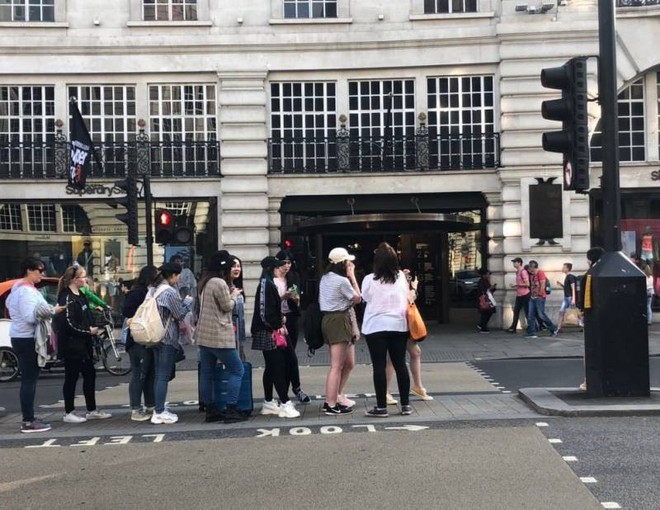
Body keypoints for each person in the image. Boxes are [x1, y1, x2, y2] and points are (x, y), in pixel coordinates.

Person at [7, 257, 66, 433]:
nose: (43, 274)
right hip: (27, 338)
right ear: (29, 270)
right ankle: (28, 420)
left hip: (21, 337)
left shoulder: (17, 289)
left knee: (29, 379)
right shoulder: (25, 292)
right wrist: (51, 311)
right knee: (29, 380)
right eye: (40, 270)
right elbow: (30, 317)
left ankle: (29, 416)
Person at [361, 242, 416, 417]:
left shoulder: (369, 279)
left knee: (379, 366)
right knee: (400, 363)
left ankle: (381, 407)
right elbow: (409, 297)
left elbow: (365, 297)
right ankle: (406, 405)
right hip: (398, 325)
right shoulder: (401, 277)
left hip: (375, 326)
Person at [56, 265, 112, 423]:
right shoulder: (67, 297)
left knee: (90, 375)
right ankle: (69, 412)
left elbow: (86, 314)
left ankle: (91, 409)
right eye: (82, 276)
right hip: (72, 345)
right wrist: (88, 331)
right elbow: (68, 323)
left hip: (84, 343)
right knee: (71, 377)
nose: (85, 279)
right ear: (74, 279)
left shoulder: (80, 295)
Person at [195, 251, 247, 424]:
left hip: (204, 334)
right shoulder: (219, 283)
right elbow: (227, 307)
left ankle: (210, 410)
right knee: (237, 369)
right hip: (218, 334)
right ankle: (231, 409)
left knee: (207, 372)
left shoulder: (205, 281)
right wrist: (234, 295)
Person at [251, 256, 301, 419]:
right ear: (272, 267)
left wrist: (279, 321)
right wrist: (278, 324)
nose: (282, 267)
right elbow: (265, 311)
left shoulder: (267, 284)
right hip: (269, 331)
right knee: (278, 365)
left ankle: (268, 402)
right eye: (278, 265)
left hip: (270, 329)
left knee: (272, 366)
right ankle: (285, 403)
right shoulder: (267, 284)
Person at [319, 247, 361, 415]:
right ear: (342, 263)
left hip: (331, 319)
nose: (350, 264)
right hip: (338, 320)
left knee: (346, 362)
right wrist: (352, 276)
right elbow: (357, 298)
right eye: (347, 262)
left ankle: (335, 397)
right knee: (336, 365)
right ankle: (330, 403)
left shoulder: (325, 278)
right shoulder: (341, 281)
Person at [150, 262, 193, 425]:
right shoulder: (169, 292)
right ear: (173, 275)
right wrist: (188, 302)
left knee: (158, 374)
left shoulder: (155, 289)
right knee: (163, 376)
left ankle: (158, 408)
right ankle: (159, 411)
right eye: (178, 275)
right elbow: (180, 314)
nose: (179, 278)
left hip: (155, 336)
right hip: (167, 338)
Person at [274, 249, 311, 404]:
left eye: (289, 262)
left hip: (291, 318)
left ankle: (294, 389)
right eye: (284, 262)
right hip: (276, 321)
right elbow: (269, 301)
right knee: (282, 358)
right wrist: (283, 296)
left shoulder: (294, 277)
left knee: (290, 355)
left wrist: (295, 299)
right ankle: (288, 391)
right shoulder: (270, 279)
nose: (287, 266)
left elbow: (298, 298)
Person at [122, 265, 157, 422]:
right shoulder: (138, 293)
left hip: (146, 338)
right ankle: (136, 409)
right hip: (138, 339)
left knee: (149, 374)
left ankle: (150, 405)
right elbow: (127, 311)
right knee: (139, 374)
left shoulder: (146, 292)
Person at [577, 247, 604, 391]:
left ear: (589, 259)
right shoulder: (605, 270)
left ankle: (589, 381)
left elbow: (583, 302)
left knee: (591, 351)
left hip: (593, 319)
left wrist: (582, 311)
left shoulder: (589, 275)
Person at [525, 260, 558, 338]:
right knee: (531, 315)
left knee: (541, 315)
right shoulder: (532, 275)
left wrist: (539, 294)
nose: (529, 268)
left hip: (539, 297)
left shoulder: (540, 273)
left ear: (533, 267)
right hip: (532, 297)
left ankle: (553, 329)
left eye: (530, 267)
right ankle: (532, 332)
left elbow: (542, 285)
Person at [227, 254, 247, 360]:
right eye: (233, 266)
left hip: (238, 334)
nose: (237, 269)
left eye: (238, 266)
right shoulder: (224, 286)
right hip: (227, 333)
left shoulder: (236, 286)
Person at [507, 257, 530, 333]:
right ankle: (513, 327)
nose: (513, 264)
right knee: (516, 311)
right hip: (519, 295)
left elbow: (527, 284)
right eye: (513, 262)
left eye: (515, 262)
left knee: (527, 312)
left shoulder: (523, 272)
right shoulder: (517, 272)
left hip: (525, 295)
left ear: (519, 263)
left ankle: (532, 327)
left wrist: (516, 284)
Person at [556, 262, 577, 333]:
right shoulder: (568, 277)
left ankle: (584, 326)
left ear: (567, 269)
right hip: (566, 298)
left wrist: (573, 299)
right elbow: (567, 288)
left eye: (564, 267)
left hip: (570, 298)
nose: (562, 268)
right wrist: (561, 285)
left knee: (577, 313)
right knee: (561, 312)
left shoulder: (570, 276)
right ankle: (559, 328)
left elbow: (573, 288)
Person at [476, 268, 497, 333]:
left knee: (486, 312)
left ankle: (482, 325)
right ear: (484, 274)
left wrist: (493, 288)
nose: (489, 275)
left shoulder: (486, 280)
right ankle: (483, 326)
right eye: (488, 274)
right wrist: (491, 288)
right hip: (484, 299)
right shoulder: (481, 281)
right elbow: (484, 290)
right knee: (486, 312)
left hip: (487, 298)